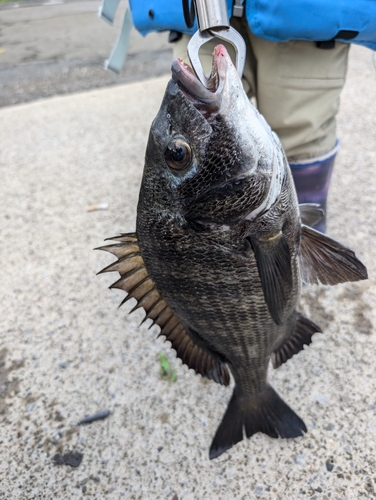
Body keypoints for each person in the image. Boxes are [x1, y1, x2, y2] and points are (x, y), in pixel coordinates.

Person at [119, 0, 375, 232]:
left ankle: (300, 247)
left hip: (306, 14)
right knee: (190, 134)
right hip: (195, 14)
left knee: (301, 134)